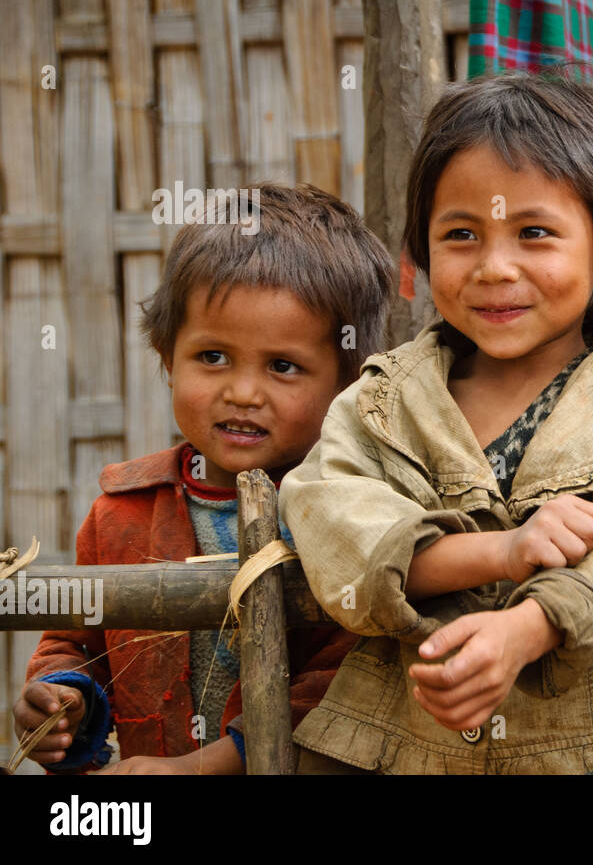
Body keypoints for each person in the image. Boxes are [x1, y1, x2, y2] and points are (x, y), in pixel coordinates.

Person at [279, 71, 593, 774]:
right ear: (419, 254)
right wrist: (505, 552)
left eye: (534, 233)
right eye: (461, 234)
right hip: (393, 749)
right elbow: (332, 526)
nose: (495, 267)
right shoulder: (380, 401)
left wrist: (526, 629)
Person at [16, 184, 393, 773]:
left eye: (283, 366)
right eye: (212, 356)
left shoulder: (353, 516)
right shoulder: (121, 514)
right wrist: (62, 702)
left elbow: (352, 682)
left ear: (347, 381)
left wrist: (200, 767)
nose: (242, 392)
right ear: (167, 357)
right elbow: (76, 640)